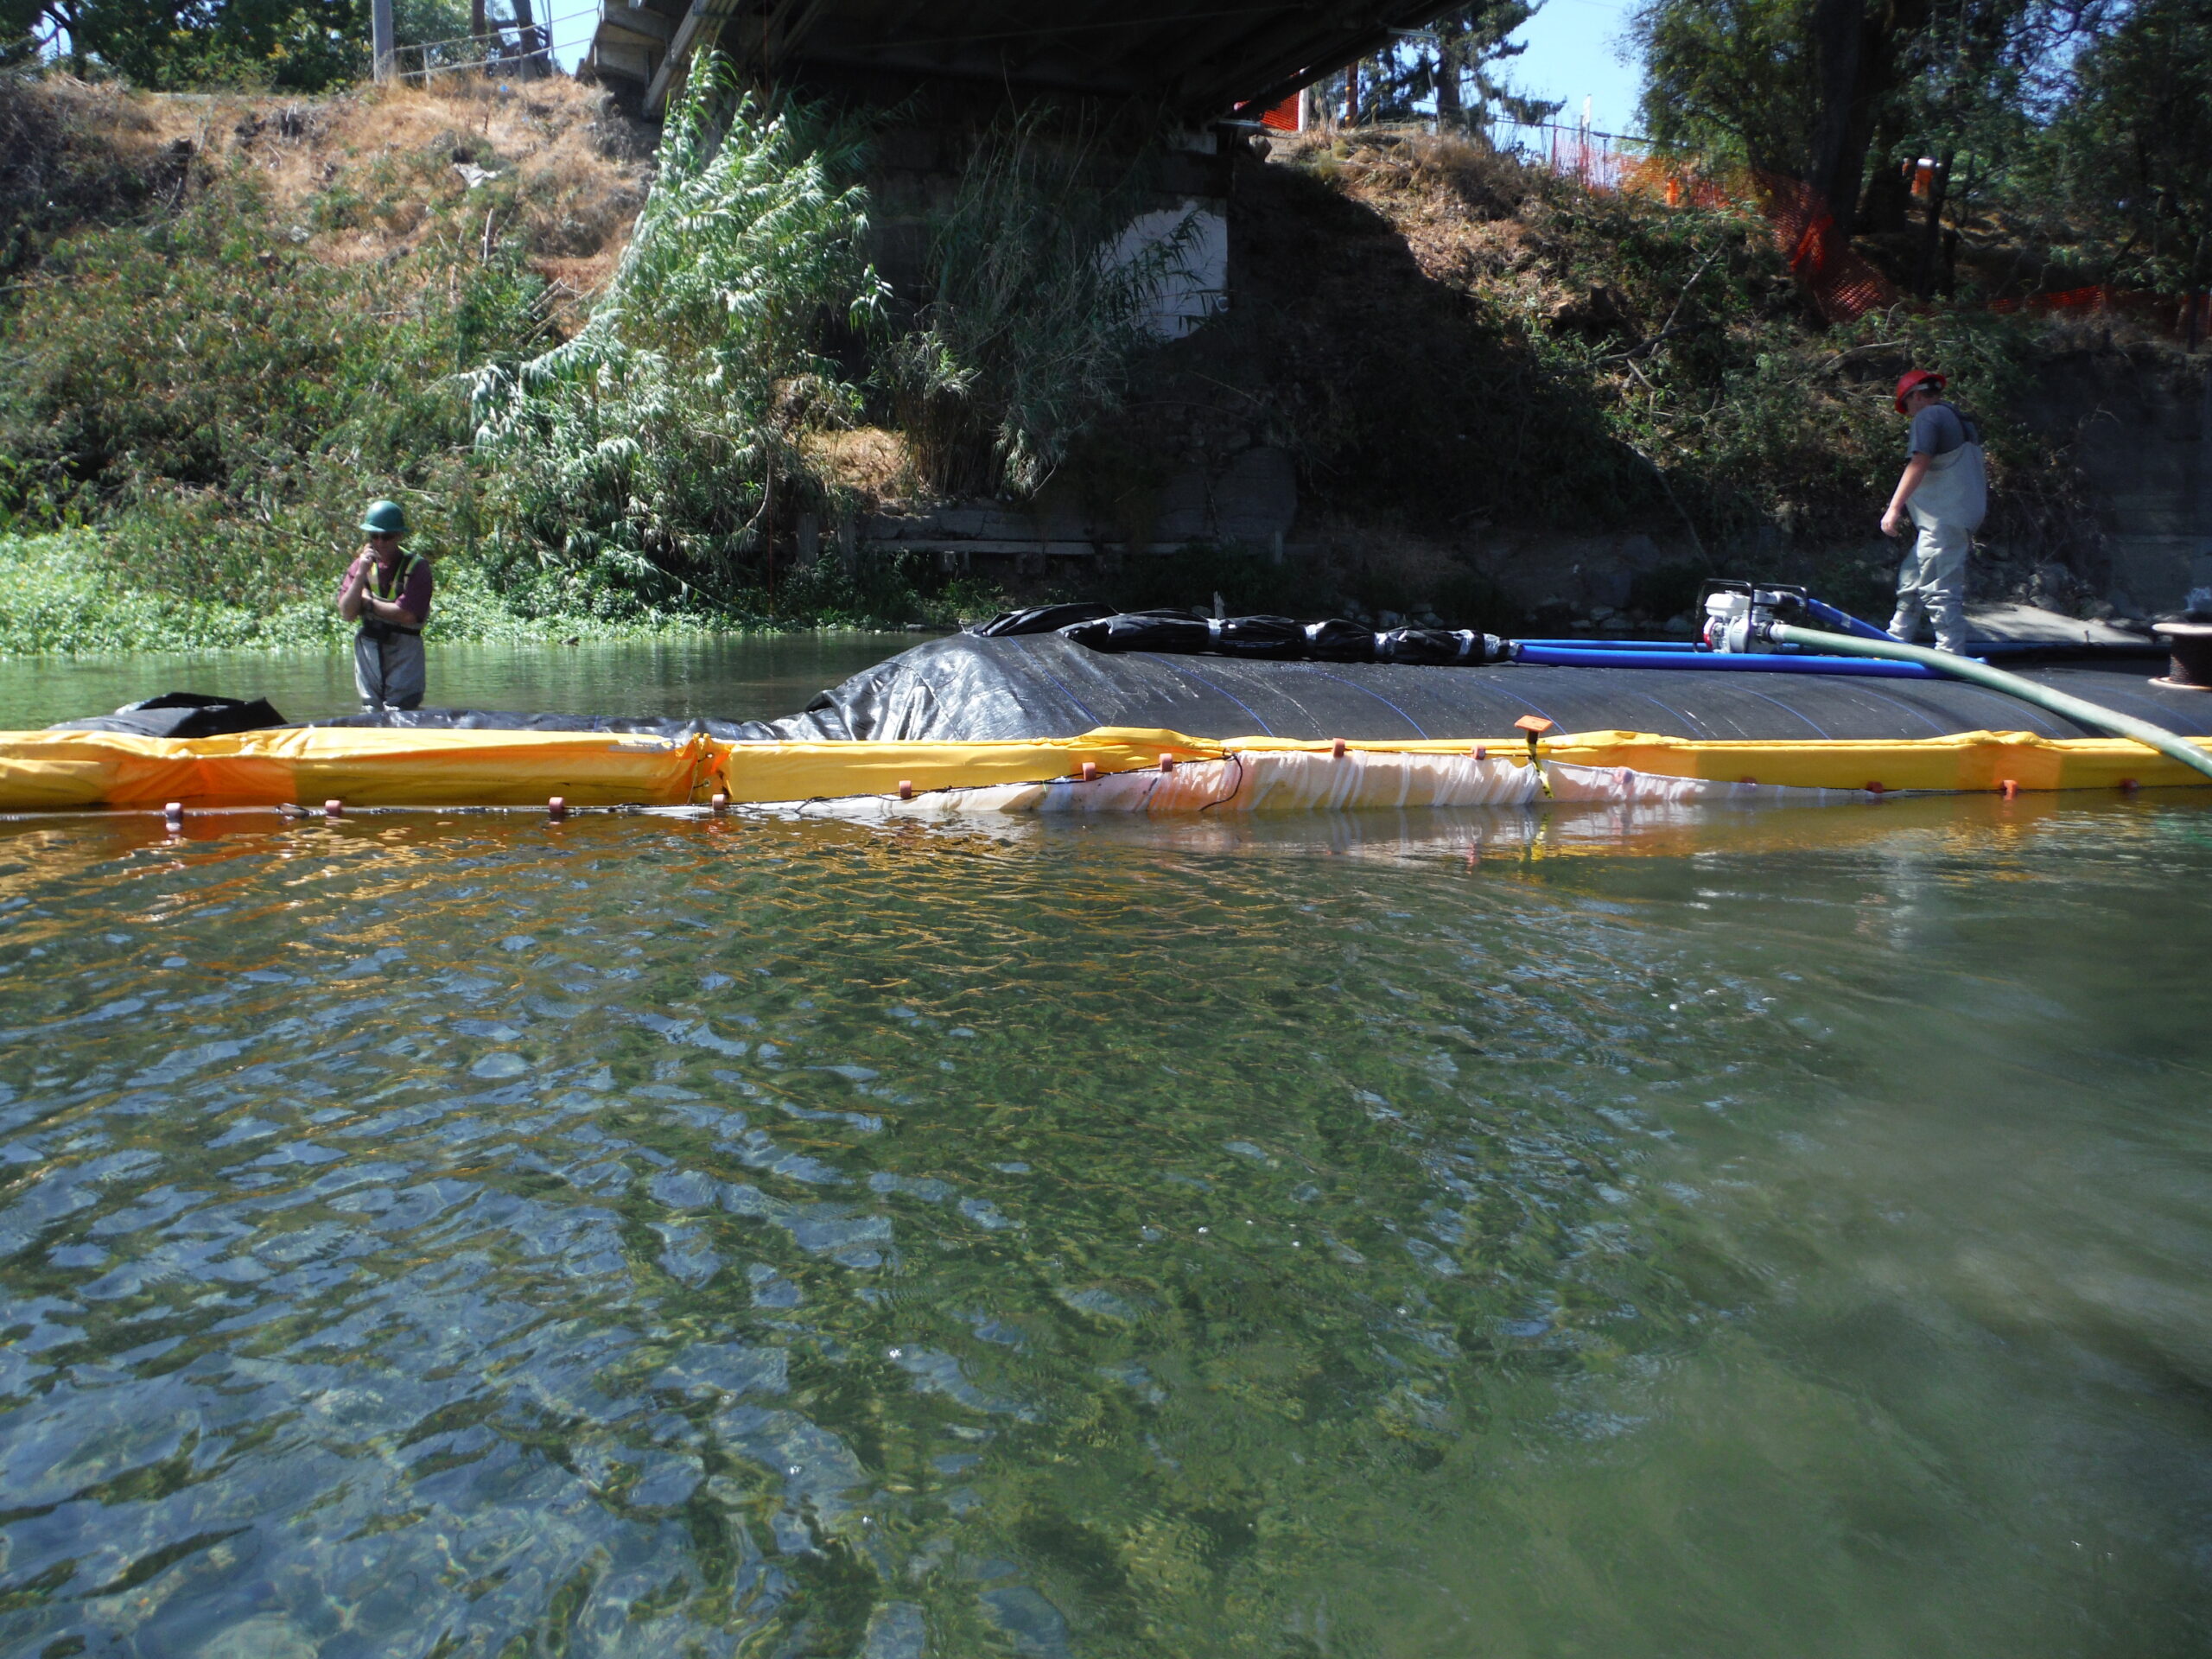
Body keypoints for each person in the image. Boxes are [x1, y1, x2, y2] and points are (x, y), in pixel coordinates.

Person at [1880, 368, 1987, 655]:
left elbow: (1919, 462)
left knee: (1938, 587)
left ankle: (1951, 653)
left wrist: (1894, 508)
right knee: (1912, 579)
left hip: (1943, 520)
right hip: (1956, 518)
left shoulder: (1928, 416)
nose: (1910, 414)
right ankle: (1896, 641)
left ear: (1915, 396)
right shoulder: (1959, 419)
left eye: (1908, 407)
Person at [337, 499, 434, 711]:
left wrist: (368, 603)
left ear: (399, 536)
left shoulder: (417, 567)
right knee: (371, 709)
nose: (380, 542)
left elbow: (407, 615)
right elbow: (347, 612)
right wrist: (361, 572)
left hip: (404, 649)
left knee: (402, 708)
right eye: (374, 536)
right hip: (369, 647)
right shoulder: (360, 566)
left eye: (387, 536)